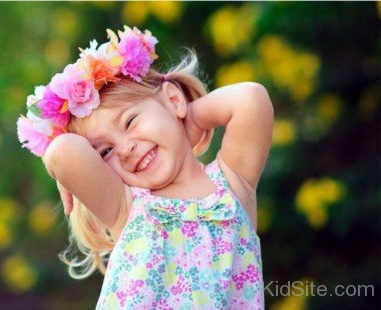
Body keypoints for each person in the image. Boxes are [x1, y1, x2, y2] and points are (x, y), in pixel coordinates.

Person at [17, 26, 273, 309]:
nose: (125, 149)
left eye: (129, 122)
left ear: (173, 99)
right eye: (105, 151)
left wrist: (188, 115)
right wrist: (62, 157)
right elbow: (62, 154)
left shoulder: (232, 184)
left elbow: (251, 98)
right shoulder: (125, 206)